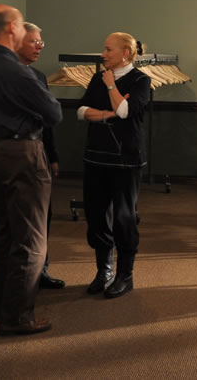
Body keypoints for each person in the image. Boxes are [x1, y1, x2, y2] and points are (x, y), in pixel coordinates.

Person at [0, 4, 62, 335]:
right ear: (12, 28)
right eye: (24, 26)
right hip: (22, 154)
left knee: (5, 234)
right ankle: (16, 317)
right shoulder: (16, 71)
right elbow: (53, 113)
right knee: (31, 240)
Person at [77, 32, 151, 299]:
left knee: (124, 218)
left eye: (108, 50)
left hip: (126, 161)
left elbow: (125, 112)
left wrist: (110, 87)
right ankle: (104, 270)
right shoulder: (96, 78)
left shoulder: (141, 80)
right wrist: (106, 113)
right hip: (95, 158)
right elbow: (81, 111)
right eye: (104, 49)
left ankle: (124, 275)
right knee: (96, 216)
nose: (103, 54)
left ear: (125, 53)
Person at [15, 21, 65, 290]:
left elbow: (48, 123)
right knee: (17, 220)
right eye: (34, 42)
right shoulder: (3, 75)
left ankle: (41, 269)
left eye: (41, 43)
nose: (39, 47)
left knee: (43, 217)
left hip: (39, 153)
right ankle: (18, 278)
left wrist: (53, 156)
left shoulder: (38, 76)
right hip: (13, 155)